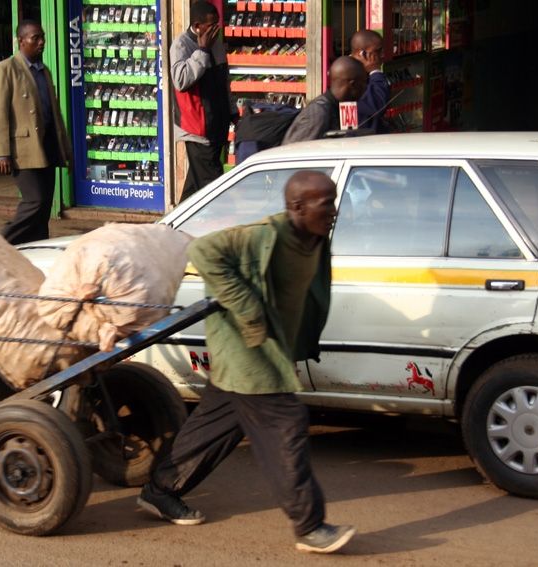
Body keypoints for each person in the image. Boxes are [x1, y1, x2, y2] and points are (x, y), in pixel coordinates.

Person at [137, 170, 356, 555]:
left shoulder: (315, 241)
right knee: (286, 426)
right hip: (248, 352)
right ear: (297, 207)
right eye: (326, 202)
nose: (334, 209)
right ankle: (310, 526)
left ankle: (160, 491)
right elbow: (203, 251)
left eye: (334, 199)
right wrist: (248, 308)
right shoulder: (263, 236)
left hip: (259, 351)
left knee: (214, 428)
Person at [0, 20, 72, 245]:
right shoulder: (5, 69)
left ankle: (35, 248)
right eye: (35, 38)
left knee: (44, 205)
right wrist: (2, 153)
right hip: (23, 149)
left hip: (46, 145)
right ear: (21, 40)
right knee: (34, 201)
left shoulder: (43, 70)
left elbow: (54, 113)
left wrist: (65, 149)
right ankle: (0, 243)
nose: (41, 42)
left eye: (42, 37)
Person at [170, 1, 233, 203]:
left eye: (218, 23)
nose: (216, 28)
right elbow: (180, 80)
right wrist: (202, 51)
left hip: (217, 127)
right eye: (211, 24)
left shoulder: (217, 44)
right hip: (197, 130)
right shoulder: (181, 45)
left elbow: (224, 81)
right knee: (214, 190)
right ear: (197, 27)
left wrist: (233, 111)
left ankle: (173, 227)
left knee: (195, 188)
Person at [282, 56, 367, 144]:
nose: (365, 87)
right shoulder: (318, 112)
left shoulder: (340, 107)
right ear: (353, 84)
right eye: (364, 82)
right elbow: (295, 152)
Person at [350, 30, 390, 133]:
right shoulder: (349, 74)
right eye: (378, 51)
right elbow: (376, 104)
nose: (382, 55)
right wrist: (375, 70)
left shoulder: (361, 71)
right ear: (362, 53)